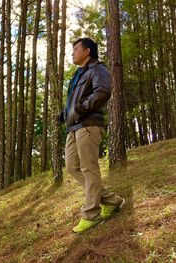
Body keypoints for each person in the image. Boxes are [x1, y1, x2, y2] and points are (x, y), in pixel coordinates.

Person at [59, 37, 125, 233]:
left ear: (87, 51)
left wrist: (81, 108)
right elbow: (75, 100)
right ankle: (111, 200)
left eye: (75, 49)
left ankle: (92, 214)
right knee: (72, 167)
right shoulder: (79, 74)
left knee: (89, 168)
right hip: (73, 127)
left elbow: (103, 92)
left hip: (88, 125)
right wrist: (65, 113)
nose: (72, 53)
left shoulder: (97, 69)